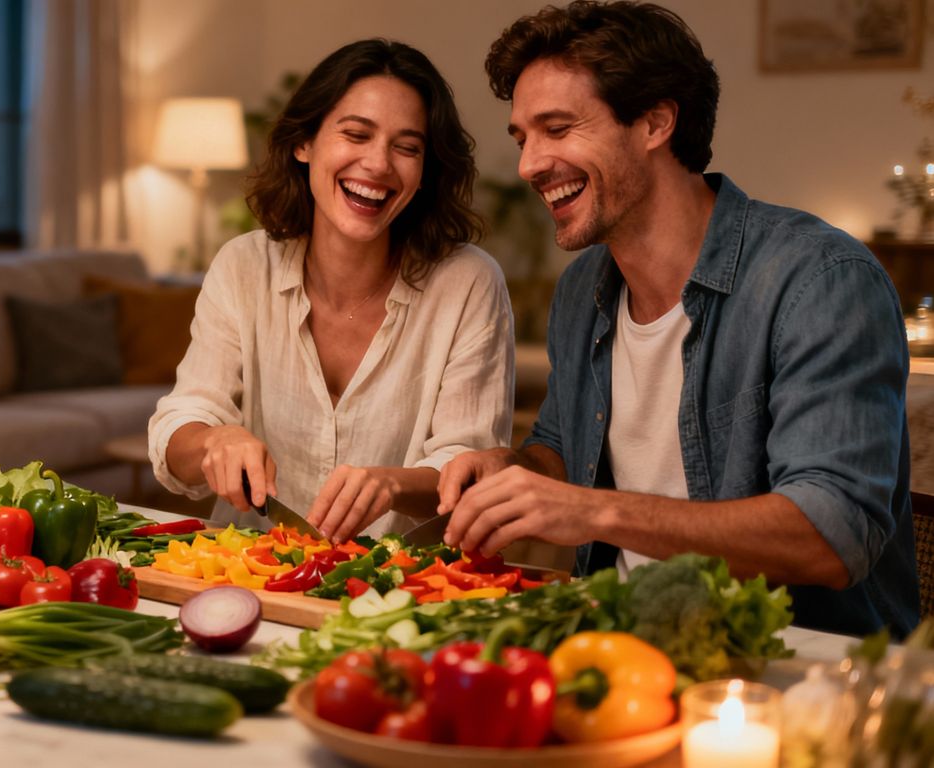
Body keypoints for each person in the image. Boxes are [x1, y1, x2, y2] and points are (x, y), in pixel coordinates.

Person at [438, 0, 919, 638]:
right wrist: (515, 471)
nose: (529, 165)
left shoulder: (821, 281)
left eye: (557, 128)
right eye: (523, 138)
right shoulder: (585, 287)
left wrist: (593, 513)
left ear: (656, 122)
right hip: (622, 645)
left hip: (802, 673)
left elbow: (830, 535)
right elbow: (560, 449)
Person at [149, 39, 514, 541]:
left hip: (398, 584)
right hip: (245, 571)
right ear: (305, 143)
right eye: (356, 134)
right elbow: (179, 425)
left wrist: (390, 485)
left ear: (425, 171)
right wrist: (215, 441)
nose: (379, 164)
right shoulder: (243, 266)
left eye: (407, 147)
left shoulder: (469, 282)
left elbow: (468, 467)